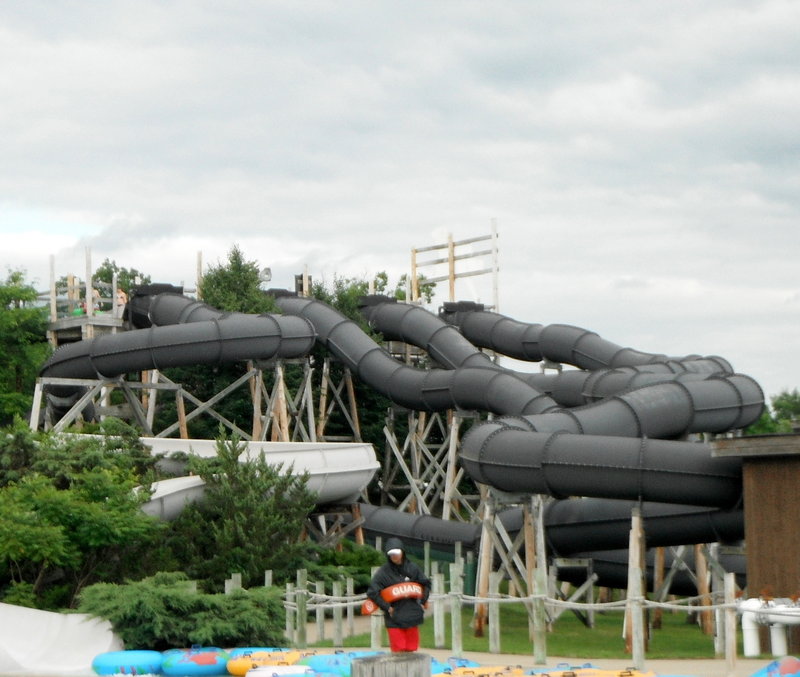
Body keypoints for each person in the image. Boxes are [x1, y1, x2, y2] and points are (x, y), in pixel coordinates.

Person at [366, 537, 431, 652]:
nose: (394, 556)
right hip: (394, 619)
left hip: (412, 616)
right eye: (391, 554)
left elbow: (426, 584)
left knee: (412, 649)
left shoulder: (413, 568)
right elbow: (372, 592)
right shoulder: (383, 572)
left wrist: (423, 600)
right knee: (398, 651)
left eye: (396, 553)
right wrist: (387, 607)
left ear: (402, 552)